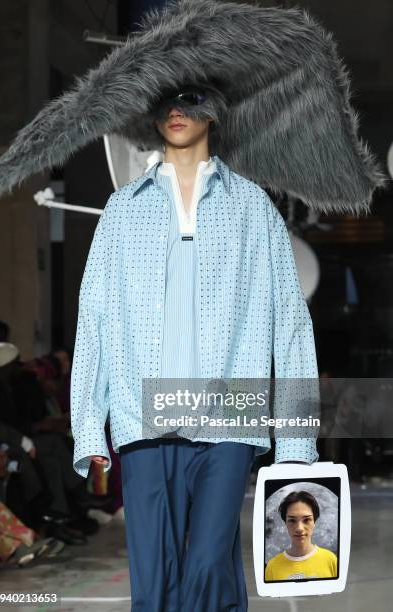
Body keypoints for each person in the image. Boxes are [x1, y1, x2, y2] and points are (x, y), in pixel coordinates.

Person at [71, 87, 319, 611]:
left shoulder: (252, 206)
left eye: (190, 97)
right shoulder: (123, 209)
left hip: (229, 412)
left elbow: (291, 325)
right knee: (154, 576)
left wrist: (297, 441)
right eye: (165, 99)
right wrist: (89, 423)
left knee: (207, 562)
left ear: (216, 107)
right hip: (144, 414)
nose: (176, 111)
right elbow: (93, 318)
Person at [265, 490, 338, 581]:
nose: (299, 528)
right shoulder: (272, 566)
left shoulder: (331, 560)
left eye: (306, 520)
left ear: (314, 522)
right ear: (285, 523)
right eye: (292, 520)